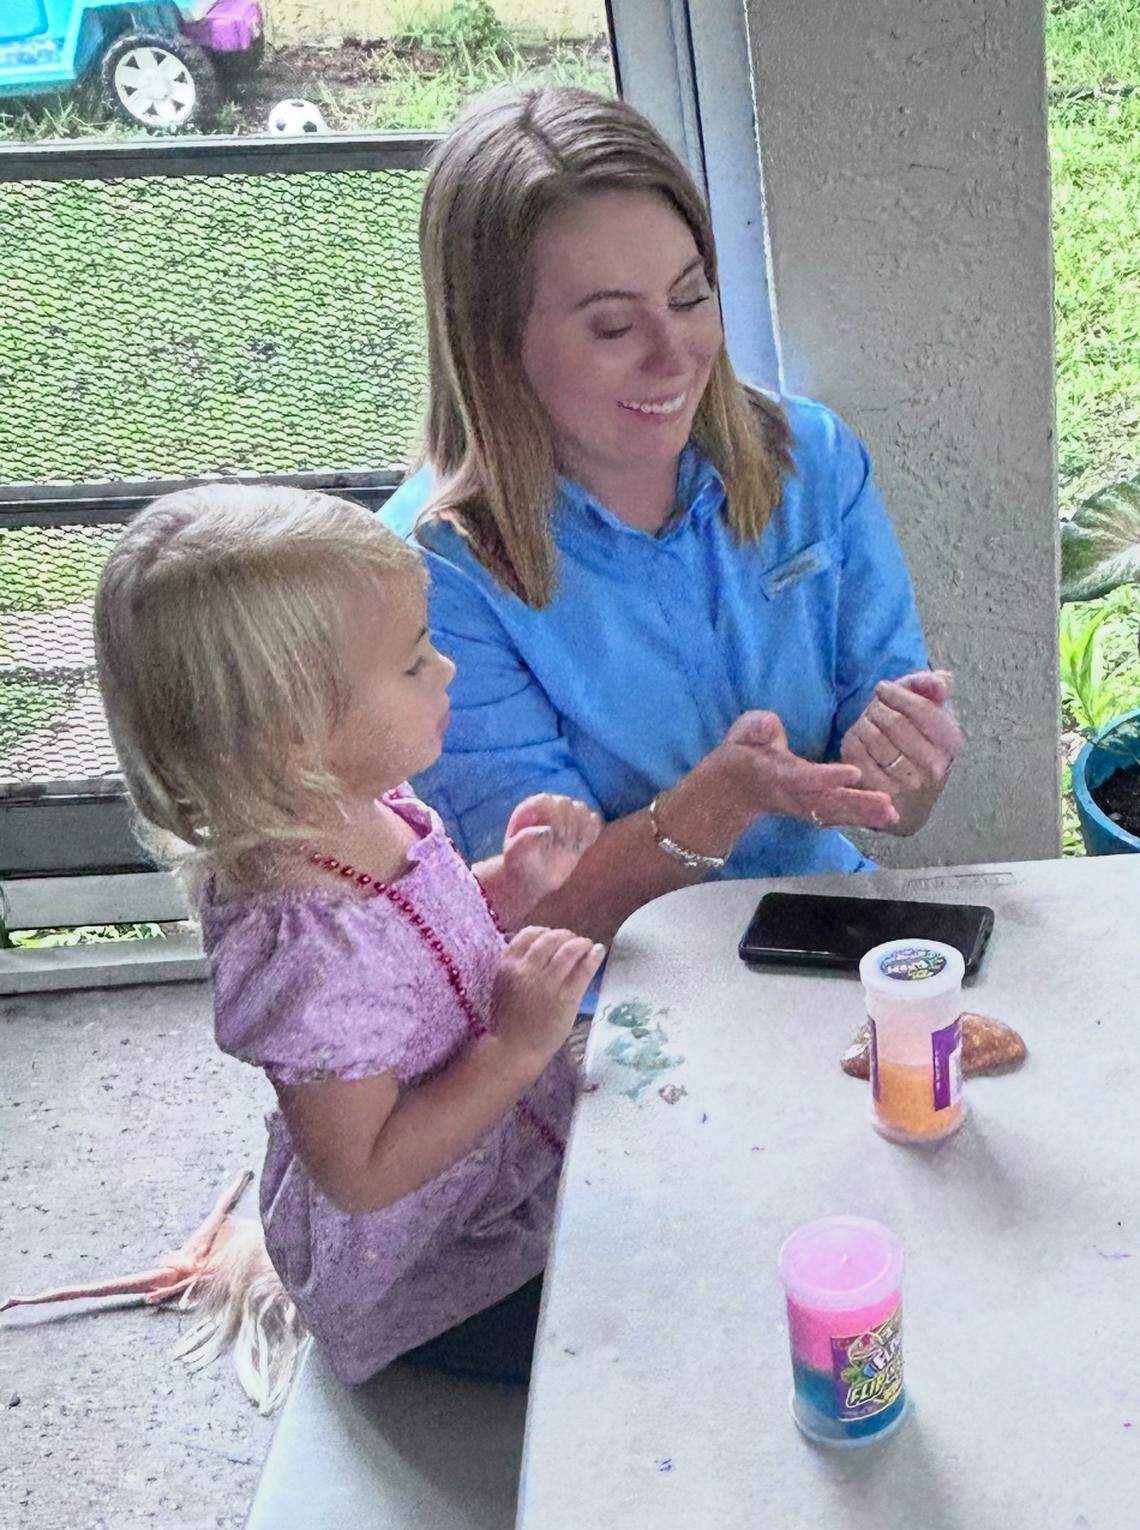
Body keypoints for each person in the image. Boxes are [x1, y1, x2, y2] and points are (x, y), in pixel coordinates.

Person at [382, 87, 963, 947]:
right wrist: (721, 801)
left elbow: (895, 806)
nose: (675, 355)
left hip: (819, 925)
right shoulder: (431, 569)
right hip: (595, 987)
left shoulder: (810, 457)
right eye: (614, 326)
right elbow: (524, 911)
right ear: (491, 343)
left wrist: (905, 769)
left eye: (691, 299)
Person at [93, 484, 605, 1385]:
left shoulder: (363, 808)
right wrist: (516, 1050)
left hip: (501, 1163)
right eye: (414, 664)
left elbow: (419, 939)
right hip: (433, 1275)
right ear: (297, 738)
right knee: (634, 1336)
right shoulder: (308, 958)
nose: (446, 671)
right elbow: (361, 1173)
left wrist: (510, 885)